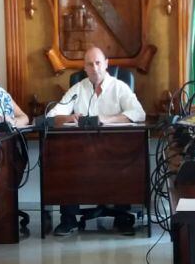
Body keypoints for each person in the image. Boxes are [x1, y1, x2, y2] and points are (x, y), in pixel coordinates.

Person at [46, 46, 146, 237]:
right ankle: (68, 220)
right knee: (64, 164)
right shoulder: (77, 88)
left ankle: (122, 217)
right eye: (90, 64)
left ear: (106, 64)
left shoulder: (119, 87)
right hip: (81, 152)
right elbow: (53, 114)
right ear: (85, 68)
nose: (95, 68)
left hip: (115, 151)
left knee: (126, 165)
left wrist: (107, 119)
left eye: (98, 63)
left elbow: (139, 114)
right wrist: (68, 118)